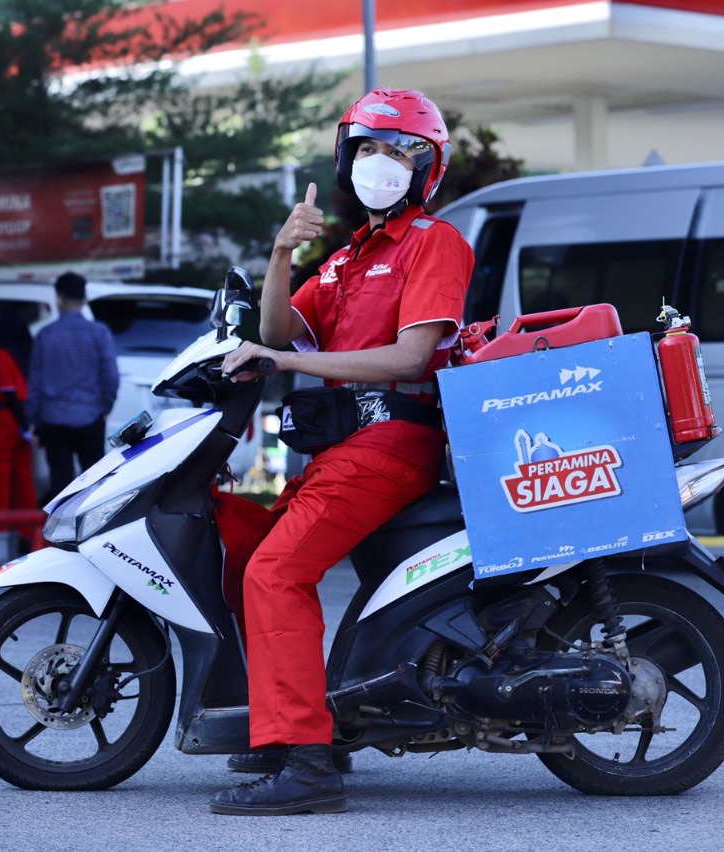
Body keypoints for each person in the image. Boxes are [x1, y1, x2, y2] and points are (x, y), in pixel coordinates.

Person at [211, 87, 475, 816]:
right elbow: (280, 328)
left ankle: (307, 763)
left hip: (389, 444)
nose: (378, 163)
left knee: (274, 572)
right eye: (366, 148)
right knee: (242, 547)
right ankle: (285, 728)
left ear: (426, 169)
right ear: (343, 160)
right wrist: (280, 250)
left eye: (397, 151)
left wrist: (289, 365)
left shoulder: (432, 243)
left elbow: (410, 359)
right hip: (342, 453)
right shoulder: (350, 258)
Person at [27, 272, 120, 500]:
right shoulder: (99, 333)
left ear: (59, 298)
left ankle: (60, 533)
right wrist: (105, 406)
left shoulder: (45, 335)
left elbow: (35, 384)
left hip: (53, 419)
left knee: (60, 481)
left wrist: (34, 420)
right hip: (91, 415)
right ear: (85, 297)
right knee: (94, 480)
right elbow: (111, 376)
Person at [0, 312, 37, 550]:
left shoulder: (1, 354)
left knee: (1, 476)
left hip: (4, 419)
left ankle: (2, 529)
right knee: (24, 477)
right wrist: (25, 424)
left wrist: (19, 422)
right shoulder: (26, 354)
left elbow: (7, 391)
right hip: (24, 417)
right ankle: (29, 530)